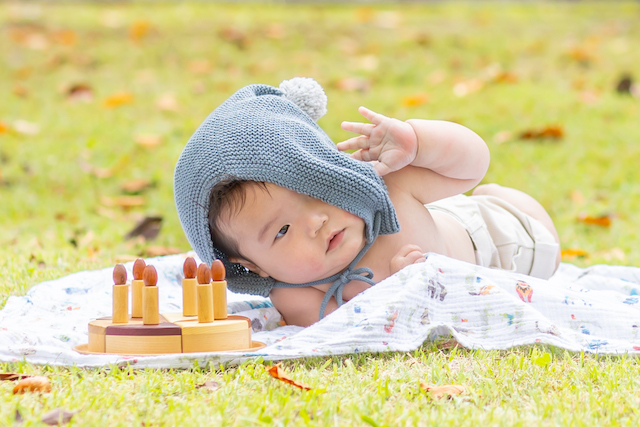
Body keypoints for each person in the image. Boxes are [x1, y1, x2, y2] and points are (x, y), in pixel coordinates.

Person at [174, 77, 560, 327]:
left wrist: (418, 142)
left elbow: (472, 167)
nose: (316, 221)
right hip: (451, 231)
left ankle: (505, 201)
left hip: (501, 238)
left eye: (316, 189)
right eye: (282, 230)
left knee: (499, 197)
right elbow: (349, 331)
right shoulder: (293, 293)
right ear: (251, 266)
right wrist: (399, 289)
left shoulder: (388, 186)